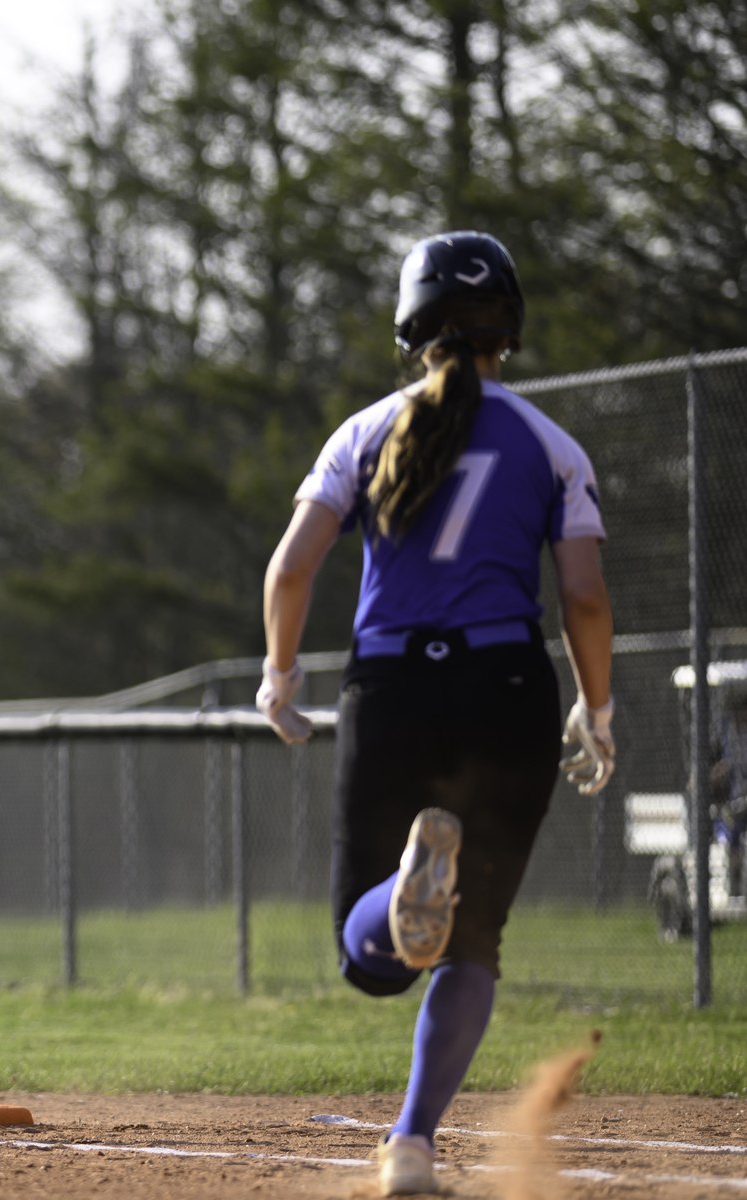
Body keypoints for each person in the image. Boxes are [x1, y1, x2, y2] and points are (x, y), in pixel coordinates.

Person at [255, 232, 615, 1196]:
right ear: (510, 327)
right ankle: (410, 1146)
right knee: (475, 939)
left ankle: (402, 896)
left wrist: (279, 676)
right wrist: (597, 705)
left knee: (367, 957)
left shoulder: (365, 431)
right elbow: (582, 594)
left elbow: (292, 567)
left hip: (394, 689)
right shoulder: (551, 443)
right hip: (508, 692)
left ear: (411, 326)